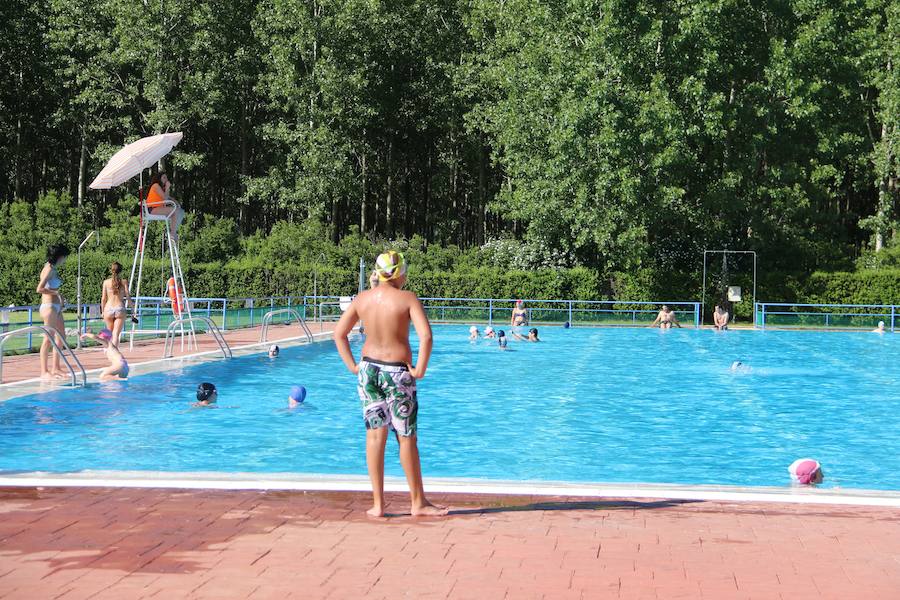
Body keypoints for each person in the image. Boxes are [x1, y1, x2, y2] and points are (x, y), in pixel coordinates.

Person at [333, 250, 446, 518]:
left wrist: (352, 366)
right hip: (398, 374)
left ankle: (378, 505)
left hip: (368, 371)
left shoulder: (363, 299)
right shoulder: (407, 298)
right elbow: (426, 337)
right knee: (406, 438)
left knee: (374, 437)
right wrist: (420, 369)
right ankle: (417, 503)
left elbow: (339, 334)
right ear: (401, 273)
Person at [36, 244, 70, 380]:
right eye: (64, 257)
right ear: (59, 256)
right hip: (49, 307)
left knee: (61, 336)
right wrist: (57, 293)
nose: (65, 260)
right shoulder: (48, 269)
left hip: (56, 307)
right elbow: (39, 289)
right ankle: (44, 371)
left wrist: (59, 297)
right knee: (48, 339)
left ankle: (56, 367)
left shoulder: (53, 269)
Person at [146, 171, 185, 243]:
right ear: (159, 178)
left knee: (181, 212)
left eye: (166, 177)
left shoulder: (161, 188)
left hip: (158, 209)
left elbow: (168, 197)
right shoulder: (156, 185)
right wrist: (167, 187)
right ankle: (172, 234)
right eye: (164, 177)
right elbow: (165, 198)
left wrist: (175, 201)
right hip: (152, 209)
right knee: (175, 210)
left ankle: (173, 231)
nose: (166, 179)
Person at [101, 262, 131, 348]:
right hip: (119, 308)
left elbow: (103, 298)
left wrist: (102, 311)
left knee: (109, 334)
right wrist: (132, 310)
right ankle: (115, 352)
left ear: (111, 270)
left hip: (108, 308)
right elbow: (128, 296)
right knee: (116, 334)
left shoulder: (106, 282)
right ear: (120, 271)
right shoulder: (124, 282)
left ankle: (110, 351)